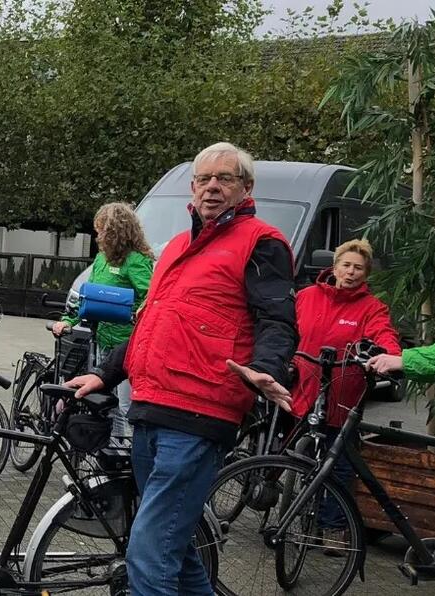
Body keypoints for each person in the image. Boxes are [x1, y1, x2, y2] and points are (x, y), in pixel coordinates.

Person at [65, 142, 297, 595]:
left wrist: (266, 366)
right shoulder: (176, 246)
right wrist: (107, 373)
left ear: (245, 188)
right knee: (177, 545)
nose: (212, 187)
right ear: (192, 187)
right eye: (203, 178)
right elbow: (152, 322)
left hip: (199, 414)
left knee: (148, 553)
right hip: (151, 409)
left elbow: (277, 318)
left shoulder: (262, 243)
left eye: (224, 178)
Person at [291, 238, 399, 555]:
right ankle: (301, 518)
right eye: (346, 265)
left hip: (343, 396)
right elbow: (286, 330)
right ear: (335, 267)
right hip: (304, 392)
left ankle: (334, 526)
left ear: (366, 274)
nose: (351, 272)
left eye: (359, 268)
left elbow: (384, 334)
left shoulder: (371, 308)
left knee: (338, 466)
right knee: (301, 459)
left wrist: (390, 356)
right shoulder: (306, 297)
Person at [52, 202, 154, 437]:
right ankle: (106, 454)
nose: (98, 236)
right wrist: (68, 319)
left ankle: (125, 454)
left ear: (115, 232)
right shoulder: (102, 259)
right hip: (102, 341)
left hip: (128, 346)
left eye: (101, 231)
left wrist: (133, 313)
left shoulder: (135, 261)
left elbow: (151, 299)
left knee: (126, 406)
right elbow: (90, 297)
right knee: (105, 403)